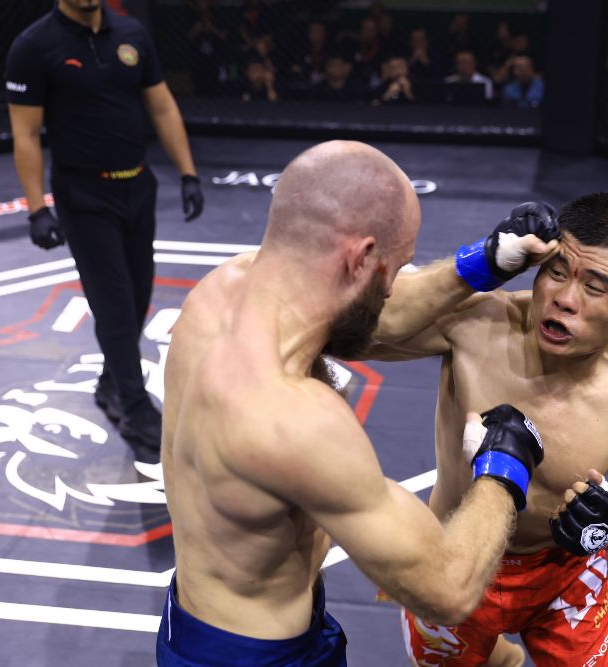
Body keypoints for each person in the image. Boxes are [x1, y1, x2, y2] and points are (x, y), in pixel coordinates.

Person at [156, 140, 553, 666]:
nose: (392, 286)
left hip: (207, 620)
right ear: (361, 256)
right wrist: (504, 468)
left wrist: (483, 263)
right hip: (256, 656)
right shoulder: (292, 420)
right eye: (393, 267)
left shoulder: (226, 289)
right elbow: (446, 589)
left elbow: (372, 313)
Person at [363, 193, 608, 666]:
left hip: (562, 575)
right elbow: (359, 331)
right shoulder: (476, 323)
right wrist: (479, 265)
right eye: (556, 271)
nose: (565, 299)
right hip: (455, 555)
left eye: (595, 287)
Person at [6, 0, 204, 458]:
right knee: (113, 303)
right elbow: (26, 134)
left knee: (137, 299)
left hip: (138, 185)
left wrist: (188, 173)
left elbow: (162, 106)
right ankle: (135, 407)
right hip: (84, 196)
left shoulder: (132, 33)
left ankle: (112, 382)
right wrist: (37, 207)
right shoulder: (33, 47)